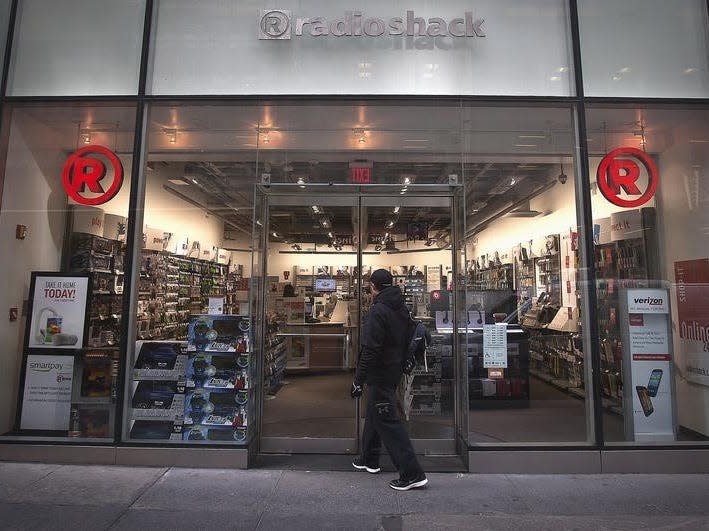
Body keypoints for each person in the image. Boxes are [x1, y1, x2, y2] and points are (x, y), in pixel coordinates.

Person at [350, 268, 428, 491]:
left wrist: (358, 378)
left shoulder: (378, 311)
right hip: (393, 371)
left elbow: (370, 349)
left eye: (369, 287)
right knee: (376, 413)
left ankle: (412, 473)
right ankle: (368, 458)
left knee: (388, 421)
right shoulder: (401, 307)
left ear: (373, 287)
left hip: (380, 372)